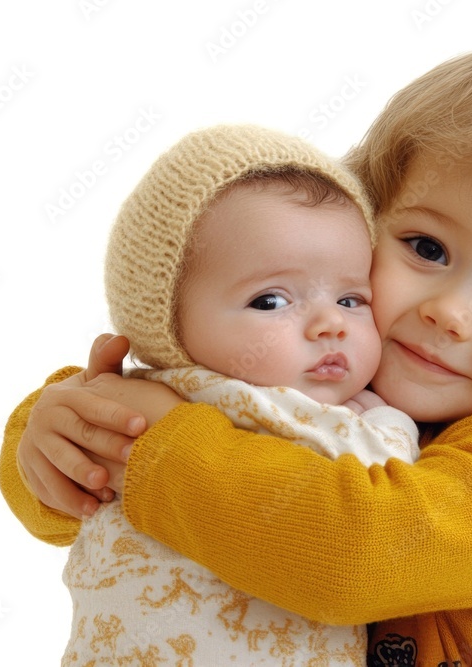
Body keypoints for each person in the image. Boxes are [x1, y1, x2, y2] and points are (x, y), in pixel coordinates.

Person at [0, 42, 472, 666]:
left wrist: (154, 447)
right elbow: (84, 510)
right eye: (426, 247)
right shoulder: (327, 374)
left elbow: (352, 554)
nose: (449, 312)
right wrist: (62, 431)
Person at [53, 124, 420, 665]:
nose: (330, 324)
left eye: (351, 299)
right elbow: (389, 488)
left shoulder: (123, 401)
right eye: (271, 301)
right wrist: (392, 421)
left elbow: (54, 492)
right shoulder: (277, 410)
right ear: (169, 324)